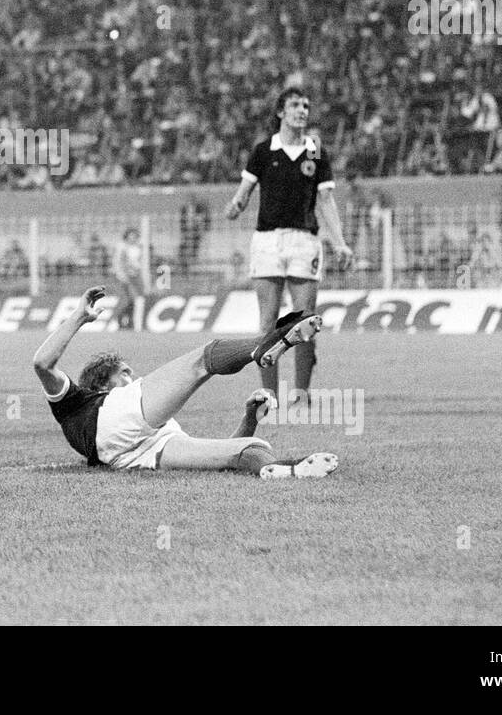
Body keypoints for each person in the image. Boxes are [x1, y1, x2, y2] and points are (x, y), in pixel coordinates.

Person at [33, 287, 337, 477]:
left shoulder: (154, 430)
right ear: (101, 388)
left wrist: (249, 418)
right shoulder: (80, 403)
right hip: (113, 424)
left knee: (248, 449)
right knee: (202, 360)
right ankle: (261, 345)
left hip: (128, 454)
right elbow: (42, 363)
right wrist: (78, 317)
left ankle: (289, 473)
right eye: (122, 373)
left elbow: (228, 449)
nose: (133, 376)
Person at [224, 88, 354, 402]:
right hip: (267, 240)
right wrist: (236, 205)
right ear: (281, 112)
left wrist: (339, 242)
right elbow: (244, 192)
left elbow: (326, 200)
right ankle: (269, 393)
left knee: (305, 318)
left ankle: (301, 392)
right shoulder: (263, 150)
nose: (302, 110)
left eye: (306, 105)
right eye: (295, 105)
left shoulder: (316, 151)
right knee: (268, 320)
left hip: (304, 241)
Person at [111, 227, 147, 330]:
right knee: (126, 300)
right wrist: (121, 275)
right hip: (124, 277)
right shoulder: (122, 247)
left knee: (138, 300)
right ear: (126, 237)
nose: (133, 238)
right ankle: (115, 321)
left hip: (136, 277)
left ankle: (136, 325)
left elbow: (140, 264)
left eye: (135, 236)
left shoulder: (139, 248)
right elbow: (118, 262)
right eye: (131, 236)